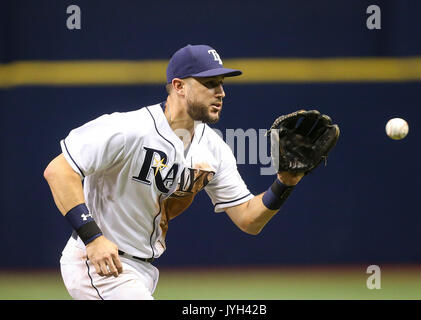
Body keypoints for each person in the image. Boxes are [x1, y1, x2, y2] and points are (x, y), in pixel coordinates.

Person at [43, 44, 337, 300]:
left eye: (221, 83)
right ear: (179, 86)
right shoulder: (128, 128)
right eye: (210, 83)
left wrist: (284, 183)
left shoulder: (214, 148)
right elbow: (58, 171)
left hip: (142, 268)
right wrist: (93, 238)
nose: (221, 92)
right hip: (98, 263)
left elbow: (248, 219)